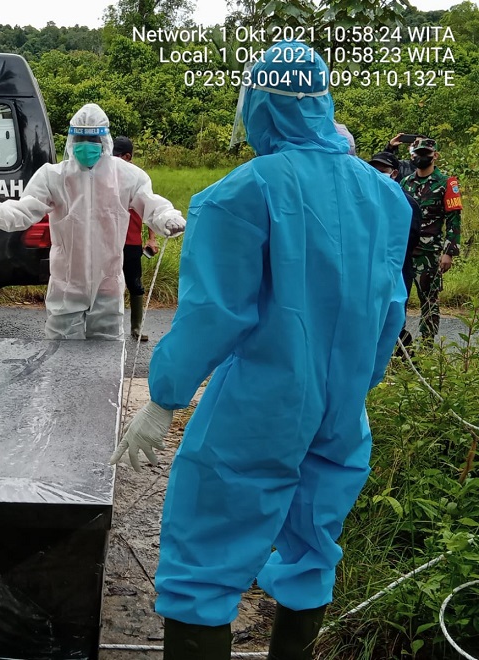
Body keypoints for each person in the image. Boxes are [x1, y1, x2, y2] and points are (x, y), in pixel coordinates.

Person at [110, 41, 411, 659]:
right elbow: (390, 309)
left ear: (260, 104)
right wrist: (355, 385)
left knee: (204, 558)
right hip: (342, 410)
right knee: (313, 547)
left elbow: (214, 315)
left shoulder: (241, 194)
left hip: (259, 407)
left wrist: (163, 400)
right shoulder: (384, 196)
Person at [0, 103, 185, 340]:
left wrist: (167, 217)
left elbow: (150, 202)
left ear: (104, 141)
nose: (86, 145)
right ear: (71, 140)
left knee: (105, 351)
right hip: (67, 284)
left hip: (107, 284)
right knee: (61, 350)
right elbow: (27, 208)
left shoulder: (126, 176)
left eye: (92, 140)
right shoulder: (54, 176)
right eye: (80, 139)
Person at [400, 137, 463, 343]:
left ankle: (427, 345)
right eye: (417, 154)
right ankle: (400, 344)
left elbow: (454, 220)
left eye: (425, 154)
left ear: (435, 155)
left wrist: (449, 252)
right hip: (405, 251)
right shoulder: (406, 183)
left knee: (429, 301)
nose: (421, 157)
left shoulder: (446, 183)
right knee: (399, 298)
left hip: (429, 253)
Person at [369, 150, 423, 354]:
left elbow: (411, 239)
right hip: (370, 267)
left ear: (394, 173)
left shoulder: (407, 203)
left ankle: (400, 356)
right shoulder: (364, 199)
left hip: (398, 267)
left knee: (395, 314)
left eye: (383, 170)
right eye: (374, 169)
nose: (378, 173)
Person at [112, 135, 158, 342]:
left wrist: (152, 239)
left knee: (134, 283)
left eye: (117, 156)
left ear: (127, 157)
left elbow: (150, 210)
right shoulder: (104, 177)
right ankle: (107, 327)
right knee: (106, 284)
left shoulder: (139, 180)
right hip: (108, 241)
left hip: (131, 243)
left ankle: (136, 328)